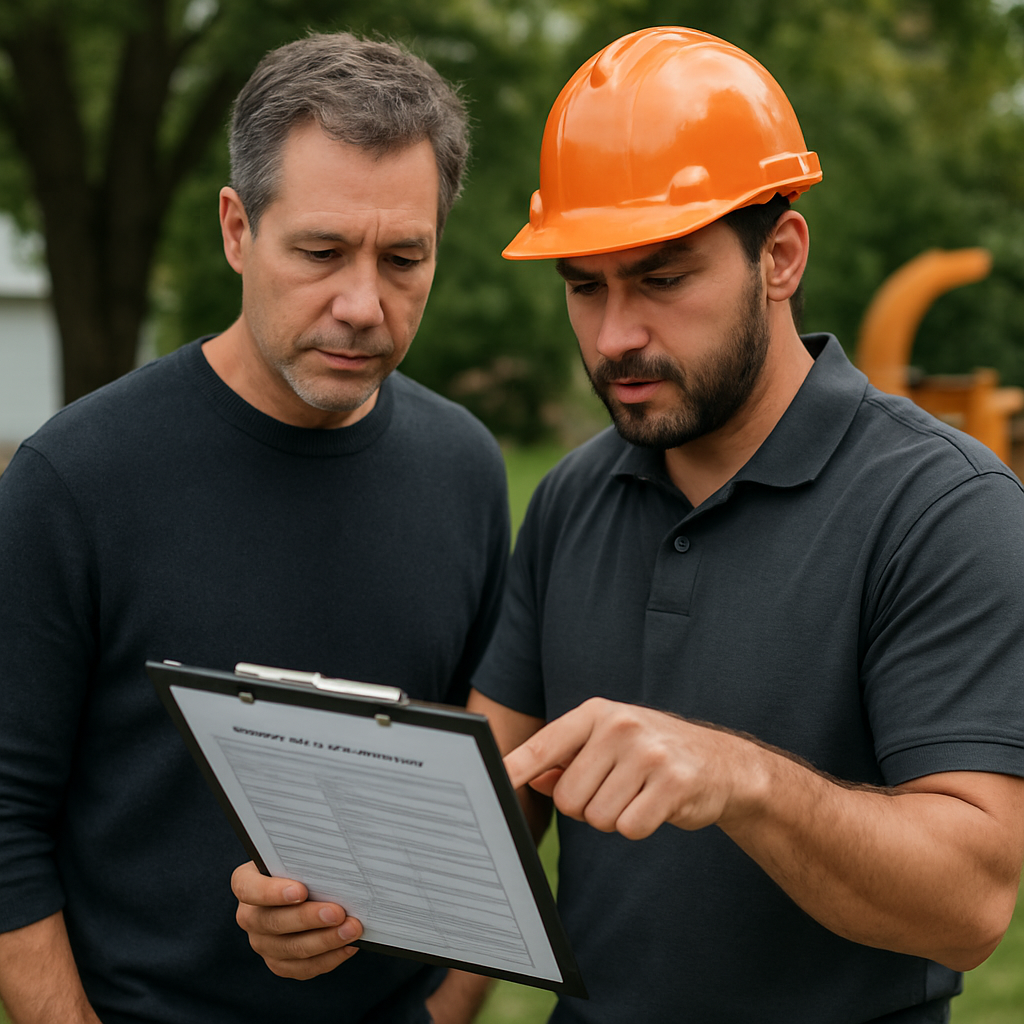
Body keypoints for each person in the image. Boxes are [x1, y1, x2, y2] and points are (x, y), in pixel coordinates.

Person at [462, 26, 1024, 1023]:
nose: (615, 334)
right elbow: (484, 811)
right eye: (583, 288)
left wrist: (740, 777)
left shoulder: (939, 507)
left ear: (780, 255)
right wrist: (335, 880)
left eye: (662, 277)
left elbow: (970, 902)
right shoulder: (570, 497)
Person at [0, 32, 508, 1024]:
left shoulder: (466, 471)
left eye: (405, 258)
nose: (363, 305)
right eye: (320, 252)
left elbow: (476, 810)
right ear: (237, 229)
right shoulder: (74, 478)